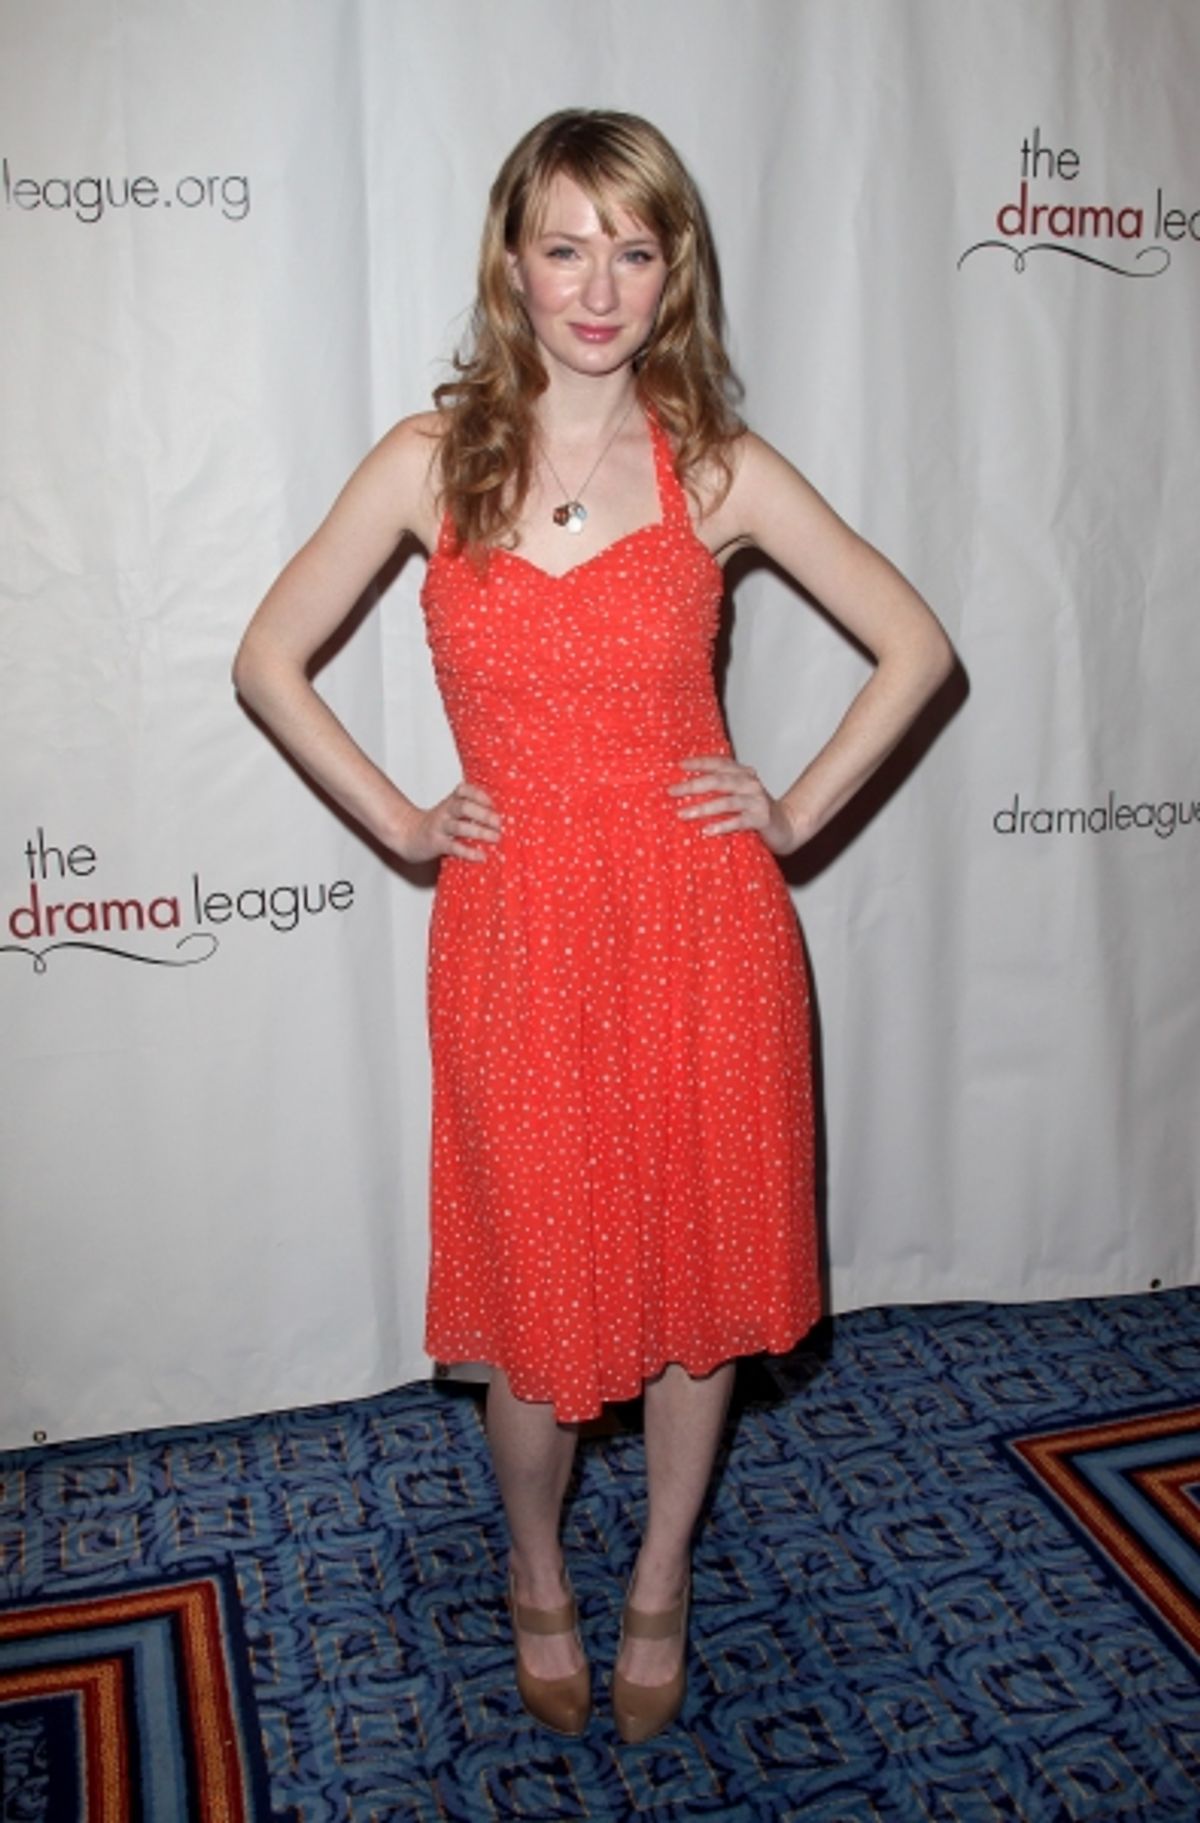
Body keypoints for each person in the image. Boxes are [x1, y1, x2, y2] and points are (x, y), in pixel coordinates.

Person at [233, 108, 955, 1744]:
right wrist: (408, 822)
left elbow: (915, 644)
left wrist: (795, 807)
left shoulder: (717, 466)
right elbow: (267, 658)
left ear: (671, 268)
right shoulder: (432, 461)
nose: (599, 284)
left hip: (704, 929)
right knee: (539, 1300)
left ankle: (660, 1580)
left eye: (633, 248)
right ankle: (539, 1570)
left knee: (699, 1277)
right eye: (565, 244)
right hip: (514, 936)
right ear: (512, 260)